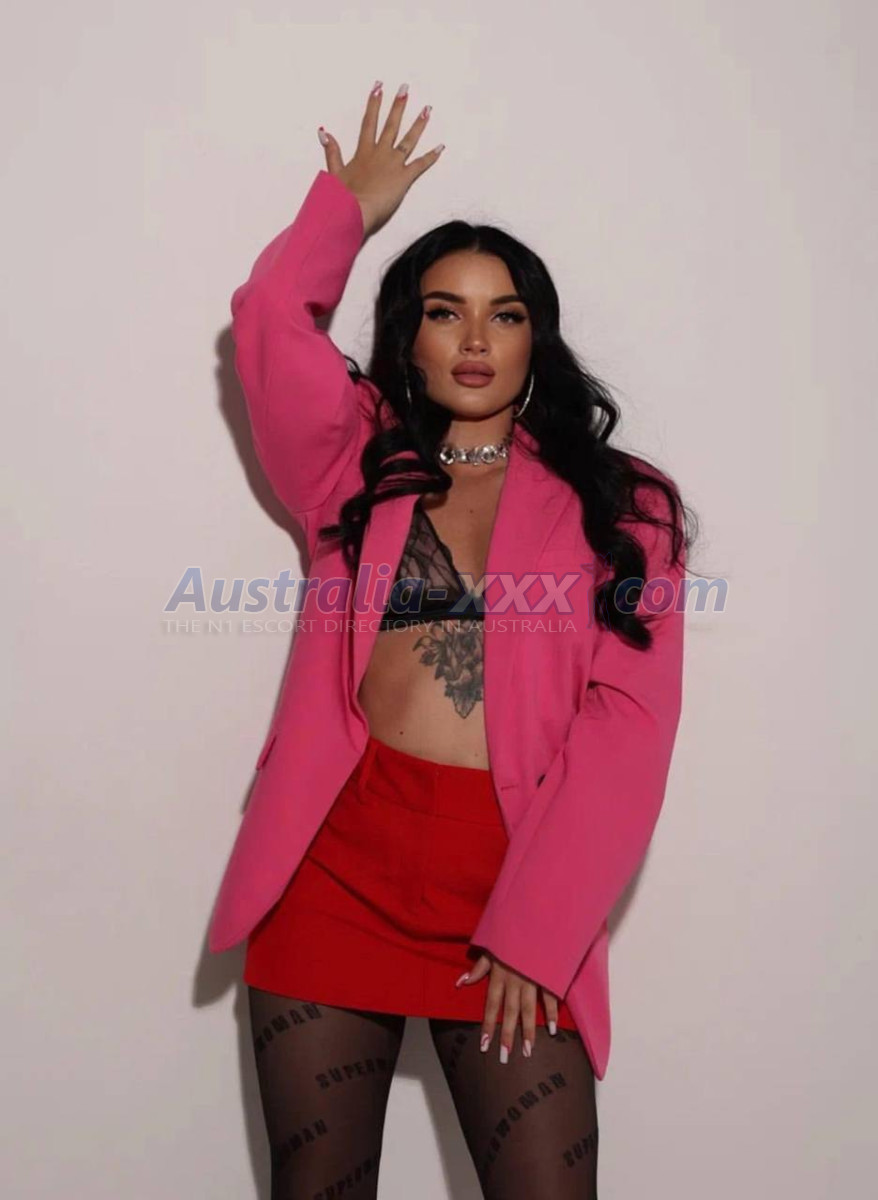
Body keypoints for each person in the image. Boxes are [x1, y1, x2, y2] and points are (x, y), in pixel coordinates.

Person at [209, 79, 692, 1200]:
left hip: (515, 881)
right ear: (410, 337)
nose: (475, 338)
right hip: (333, 871)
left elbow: (627, 733)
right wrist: (344, 211)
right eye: (444, 310)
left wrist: (539, 927)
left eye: (504, 314)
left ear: (536, 339)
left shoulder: (622, 507)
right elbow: (269, 322)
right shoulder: (354, 460)